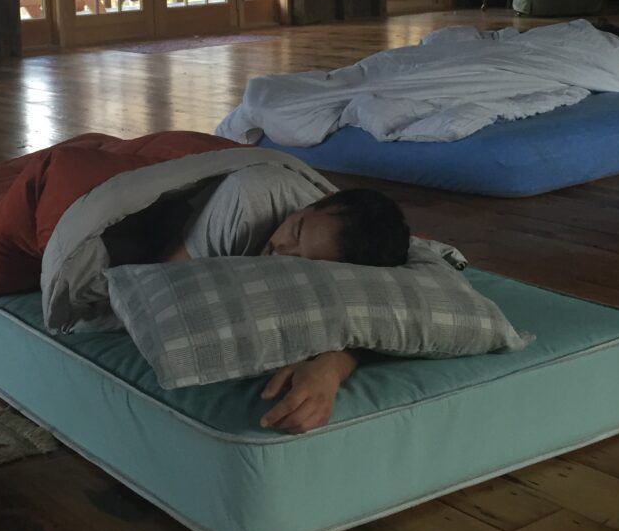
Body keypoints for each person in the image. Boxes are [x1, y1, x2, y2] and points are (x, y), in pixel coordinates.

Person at [104, 165, 410, 435]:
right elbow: (160, 291)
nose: (281, 251)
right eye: (296, 230)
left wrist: (331, 367)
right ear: (318, 201)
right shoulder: (248, 202)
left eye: (303, 262)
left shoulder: (357, 260)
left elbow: (366, 316)